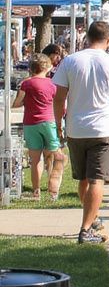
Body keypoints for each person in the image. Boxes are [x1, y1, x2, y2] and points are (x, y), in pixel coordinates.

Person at [52, 21, 109, 244]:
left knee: (84, 178)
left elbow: (59, 98)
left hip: (76, 128)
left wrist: (59, 123)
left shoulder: (71, 60)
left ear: (87, 37)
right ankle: (86, 229)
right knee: (97, 180)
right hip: (102, 128)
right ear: (108, 40)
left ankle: (91, 218)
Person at [12, 54, 65, 201]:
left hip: (30, 123)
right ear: (47, 67)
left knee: (35, 159)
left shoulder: (26, 84)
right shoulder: (52, 84)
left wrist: (27, 102)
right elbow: (60, 104)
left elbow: (16, 103)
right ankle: (53, 190)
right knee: (56, 156)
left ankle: (36, 191)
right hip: (49, 121)